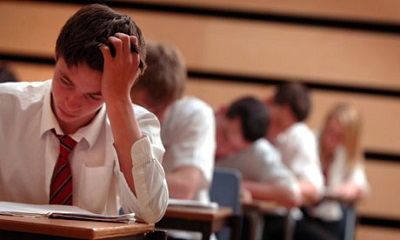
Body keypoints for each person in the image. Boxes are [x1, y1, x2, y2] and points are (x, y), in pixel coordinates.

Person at [0, 4, 168, 224]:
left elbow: (150, 212)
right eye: (65, 81)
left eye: (93, 96)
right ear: (56, 55)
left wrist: (118, 100)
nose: (71, 103)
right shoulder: (6, 105)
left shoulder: (136, 122)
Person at [131, 42, 215, 240]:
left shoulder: (195, 114)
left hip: (182, 233)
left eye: (157, 109)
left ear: (173, 101)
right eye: (138, 106)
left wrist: (120, 180)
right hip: (126, 228)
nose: (146, 116)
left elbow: (184, 188)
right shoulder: (114, 106)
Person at [215, 96, 302, 240]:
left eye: (235, 149)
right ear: (222, 111)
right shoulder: (195, 121)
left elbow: (292, 194)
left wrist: (233, 187)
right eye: (224, 134)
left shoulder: (258, 151)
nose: (223, 149)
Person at [265, 81, 328, 240]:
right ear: (268, 101)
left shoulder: (299, 135)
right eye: (277, 121)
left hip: (278, 218)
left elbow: (313, 189)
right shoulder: (246, 122)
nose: (277, 131)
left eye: (285, 128)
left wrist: (274, 192)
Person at [302, 103, 369, 239]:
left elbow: (360, 184)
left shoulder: (346, 153)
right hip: (303, 214)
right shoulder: (308, 142)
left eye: (340, 136)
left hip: (330, 219)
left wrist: (348, 189)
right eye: (330, 131)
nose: (331, 139)